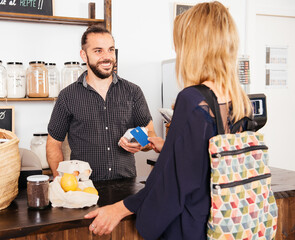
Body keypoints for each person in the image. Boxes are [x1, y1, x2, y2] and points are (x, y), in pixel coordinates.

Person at [84, 2, 253, 239]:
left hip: (193, 225)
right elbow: (211, 159)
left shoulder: (192, 99)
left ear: (195, 47)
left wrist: (122, 208)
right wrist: (170, 146)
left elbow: (172, 183)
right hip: (226, 221)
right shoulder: (240, 100)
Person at [47, 25, 156, 181]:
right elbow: (53, 143)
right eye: (98, 51)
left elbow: (150, 134)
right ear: (83, 55)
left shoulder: (133, 91)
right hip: (85, 187)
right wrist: (62, 182)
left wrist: (141, 143)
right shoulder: (67, 96)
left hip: (126, 187)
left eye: (110, 50)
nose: (107, 57)